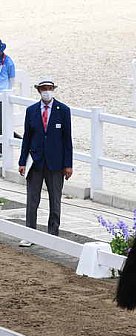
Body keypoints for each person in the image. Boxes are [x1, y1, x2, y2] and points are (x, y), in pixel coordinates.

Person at [17, 79, 73, 247]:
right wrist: (22, 161)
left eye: (49, 89)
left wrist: (68, 164)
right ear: (39, 91)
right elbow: (27, 137)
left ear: (53, 90)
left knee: (55, 200)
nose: (46, 91)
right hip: (36, 161)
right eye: (43, 89)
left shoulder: (63, 110)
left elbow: (67, 139)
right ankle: (30, 233)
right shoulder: (32, 111)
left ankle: (53, 234)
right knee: (32, 199)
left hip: (56, 163)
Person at [0, 39, 16, 139]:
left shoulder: (8, 62)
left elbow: (11, 80)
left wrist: (8, 93)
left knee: (2, 122)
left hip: (3, 95)